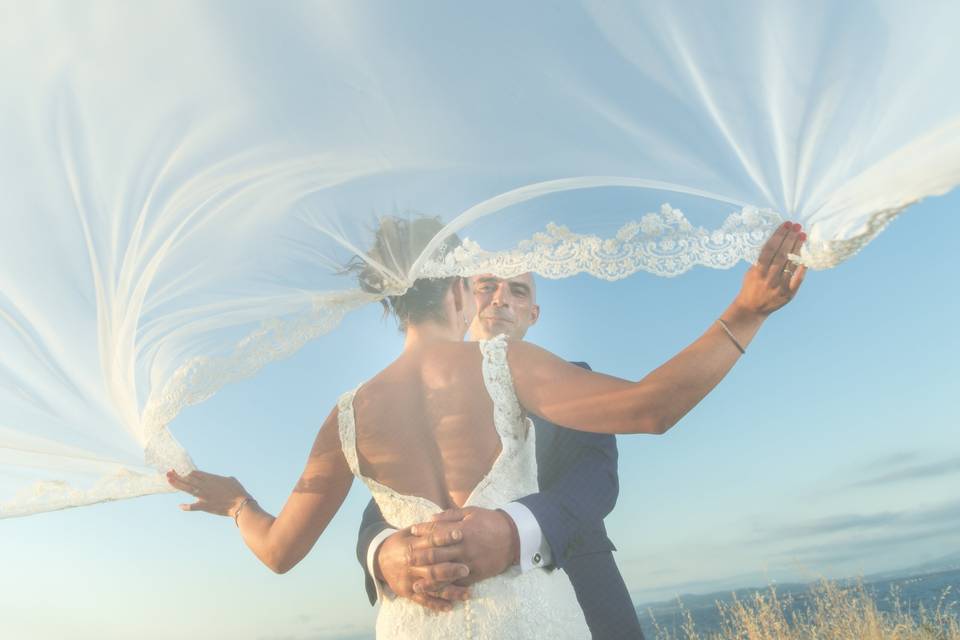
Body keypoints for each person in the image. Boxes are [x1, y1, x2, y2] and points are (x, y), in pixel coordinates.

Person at [167, 217, 807, 639]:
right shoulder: (509, 365)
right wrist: (744, 313)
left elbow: (280, 552)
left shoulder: (345, 417)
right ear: (458, 293)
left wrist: (239, 506)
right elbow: (653, 408)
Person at [356, 270, 646, 639]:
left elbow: (596, 478)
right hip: (442, 609)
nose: (500, 299)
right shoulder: (407, 402)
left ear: (533, 314)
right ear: (460, 298)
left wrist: (514, 531)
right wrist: (381, 554)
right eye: (487, 287)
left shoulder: (575, 379)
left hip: (580, 587)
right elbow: (380, 507)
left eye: (518, 291)